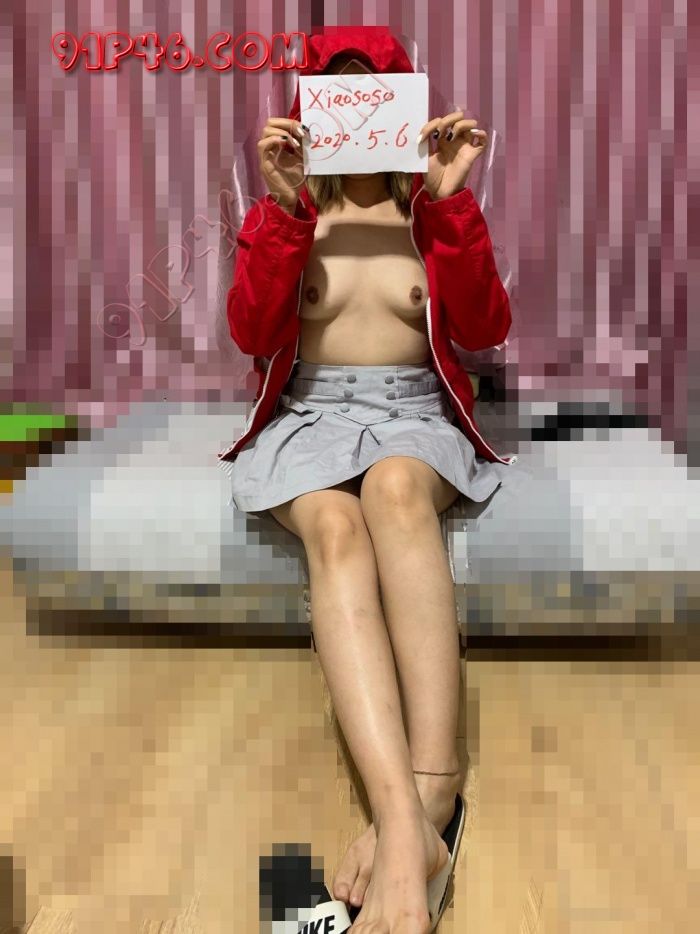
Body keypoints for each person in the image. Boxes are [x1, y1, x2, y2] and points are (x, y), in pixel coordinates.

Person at [220, 27, 517, 934]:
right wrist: (281, 214)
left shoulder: (430, 211)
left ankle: (434, 790)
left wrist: (452, 205)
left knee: (391, 490)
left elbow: (485, 328)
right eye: (335, 97)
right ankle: (404, 823)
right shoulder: (286, 214)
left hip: (415, 411)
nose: (354, 116)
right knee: (336, 529)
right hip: (308, 413)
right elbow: (251, 333)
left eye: (372, 94)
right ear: (310, 111)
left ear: (401, 106)